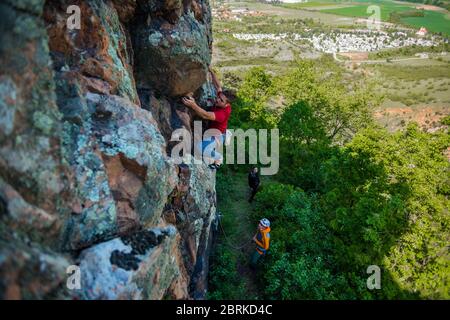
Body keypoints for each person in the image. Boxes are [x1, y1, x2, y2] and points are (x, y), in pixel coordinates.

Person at [181, 67, 231, 169]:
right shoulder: (222, 98)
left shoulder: (223, 113)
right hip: (212, 129)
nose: (217, 99)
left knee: (200, 148)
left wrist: (193, 105)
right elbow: (218, 86)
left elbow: (205, 115)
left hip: (216, 135)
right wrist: (211, 71)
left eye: (220, 100)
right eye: (219, 97)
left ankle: (219, 158)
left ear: (226, 104)